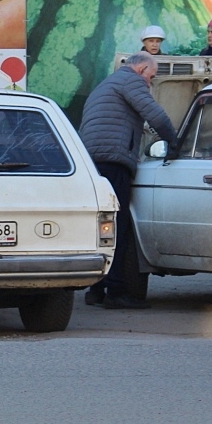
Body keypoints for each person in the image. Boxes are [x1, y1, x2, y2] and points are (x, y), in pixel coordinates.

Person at [77, 52, 177, 310]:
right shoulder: (131, 81)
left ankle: (96, 289)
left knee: (102, 226)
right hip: (114, 160)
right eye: (151, 77)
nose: (150, 84)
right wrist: (175, 142)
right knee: (118, 226)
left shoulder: (108, 82)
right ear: (142, 68)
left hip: (93, 161)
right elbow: (155, 115)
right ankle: (117, 291)